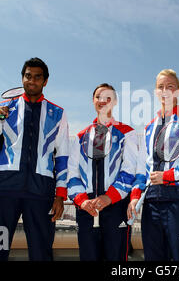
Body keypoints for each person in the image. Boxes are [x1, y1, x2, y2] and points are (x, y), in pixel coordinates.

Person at [0, 57, 69, 261]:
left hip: (41, 193)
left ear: (45, 81)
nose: (32, 81)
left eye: (37, 77)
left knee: (41, 253)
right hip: (4, 192)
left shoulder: (58, 114)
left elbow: (62, 157)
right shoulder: (4, 109)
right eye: (28, 76)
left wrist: (60, 195)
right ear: (22, 78)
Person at [128, 69, 179, 261]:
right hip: (152, 202)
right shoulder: (149, 127)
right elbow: (142, 166)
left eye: (170, 86)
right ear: (156, 92)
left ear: (178, 92)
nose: (165, 91)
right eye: (160, 87)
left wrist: (168, 176)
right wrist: (135, 196)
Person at [67, 83, 138, 261]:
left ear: (114, 102)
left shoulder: (127, 133)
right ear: (93, 101)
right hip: (86, 209)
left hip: (116, 207)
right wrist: (82, 201)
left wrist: (109, 197)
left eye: (108, 97)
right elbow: (72, 174)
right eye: (99, 96)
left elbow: (130, 170)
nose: (102, 101)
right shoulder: (80, 136)